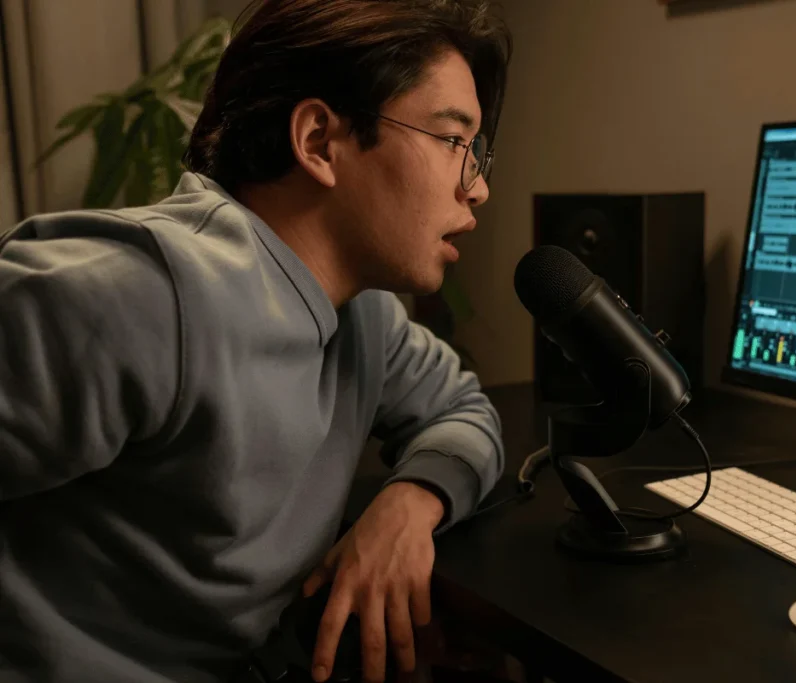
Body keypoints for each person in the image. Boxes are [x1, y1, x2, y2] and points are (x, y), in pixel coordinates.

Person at [0, 0, 511, 681]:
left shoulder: (367, 318)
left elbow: (465, 410)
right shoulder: (144, 294)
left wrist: (411, 502)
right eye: (453, 141)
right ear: (319, 141)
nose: (477, 187)